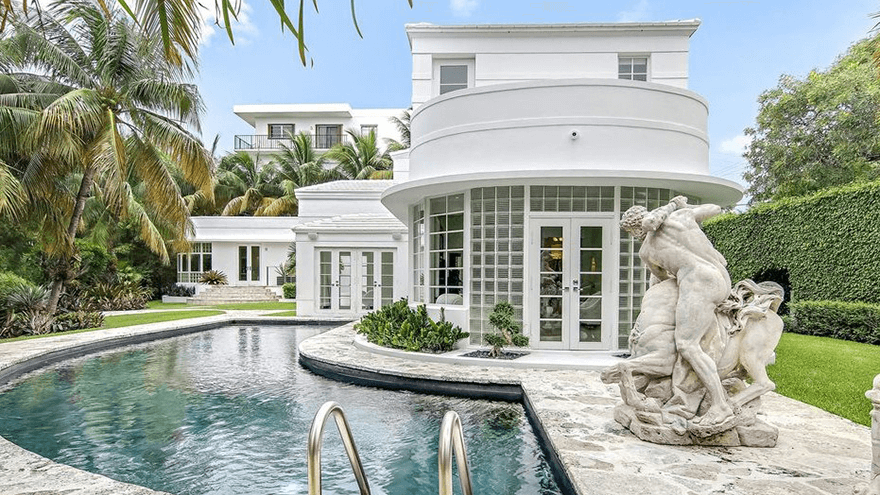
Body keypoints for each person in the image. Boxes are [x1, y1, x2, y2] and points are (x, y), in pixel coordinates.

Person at [620, 196, 734, 430]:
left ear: (634, 230)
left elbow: (664, 284)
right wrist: (683, 206)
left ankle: (720, 405)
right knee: (694, 340)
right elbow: (715, 207)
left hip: (697, 283)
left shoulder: (646, 250)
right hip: (719, 278)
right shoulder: (682, 216)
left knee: (686, 345)